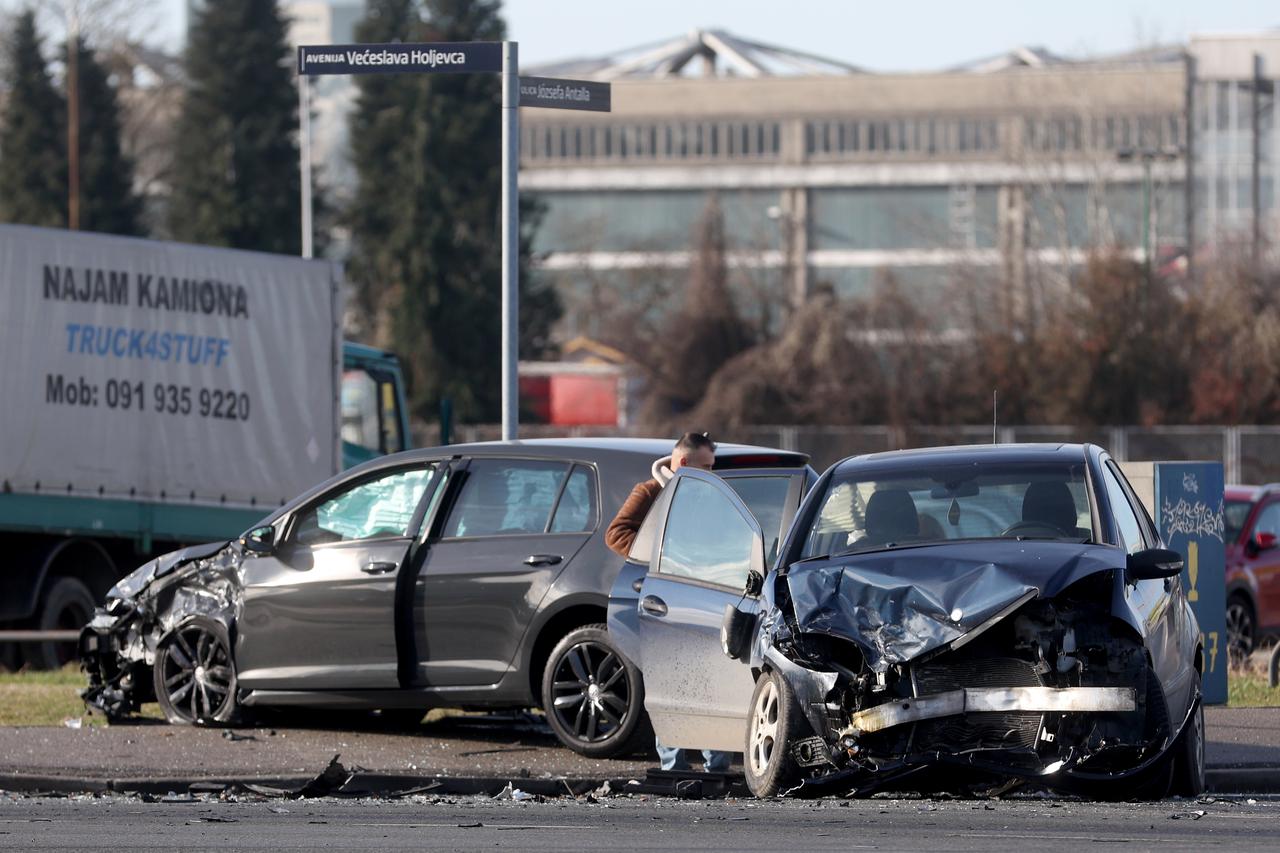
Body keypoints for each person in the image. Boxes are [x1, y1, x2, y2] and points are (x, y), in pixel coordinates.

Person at [606, 431, 730, 774]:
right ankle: (673, 767)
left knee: (710, 683)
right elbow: (616, 533)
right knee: (670, 685)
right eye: (707, 465)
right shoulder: (650, 492)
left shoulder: (708, 495)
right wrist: (663, 557)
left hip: (705, 597)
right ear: (685, 463)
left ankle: (715, 766)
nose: (712, 472)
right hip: (664, 601)